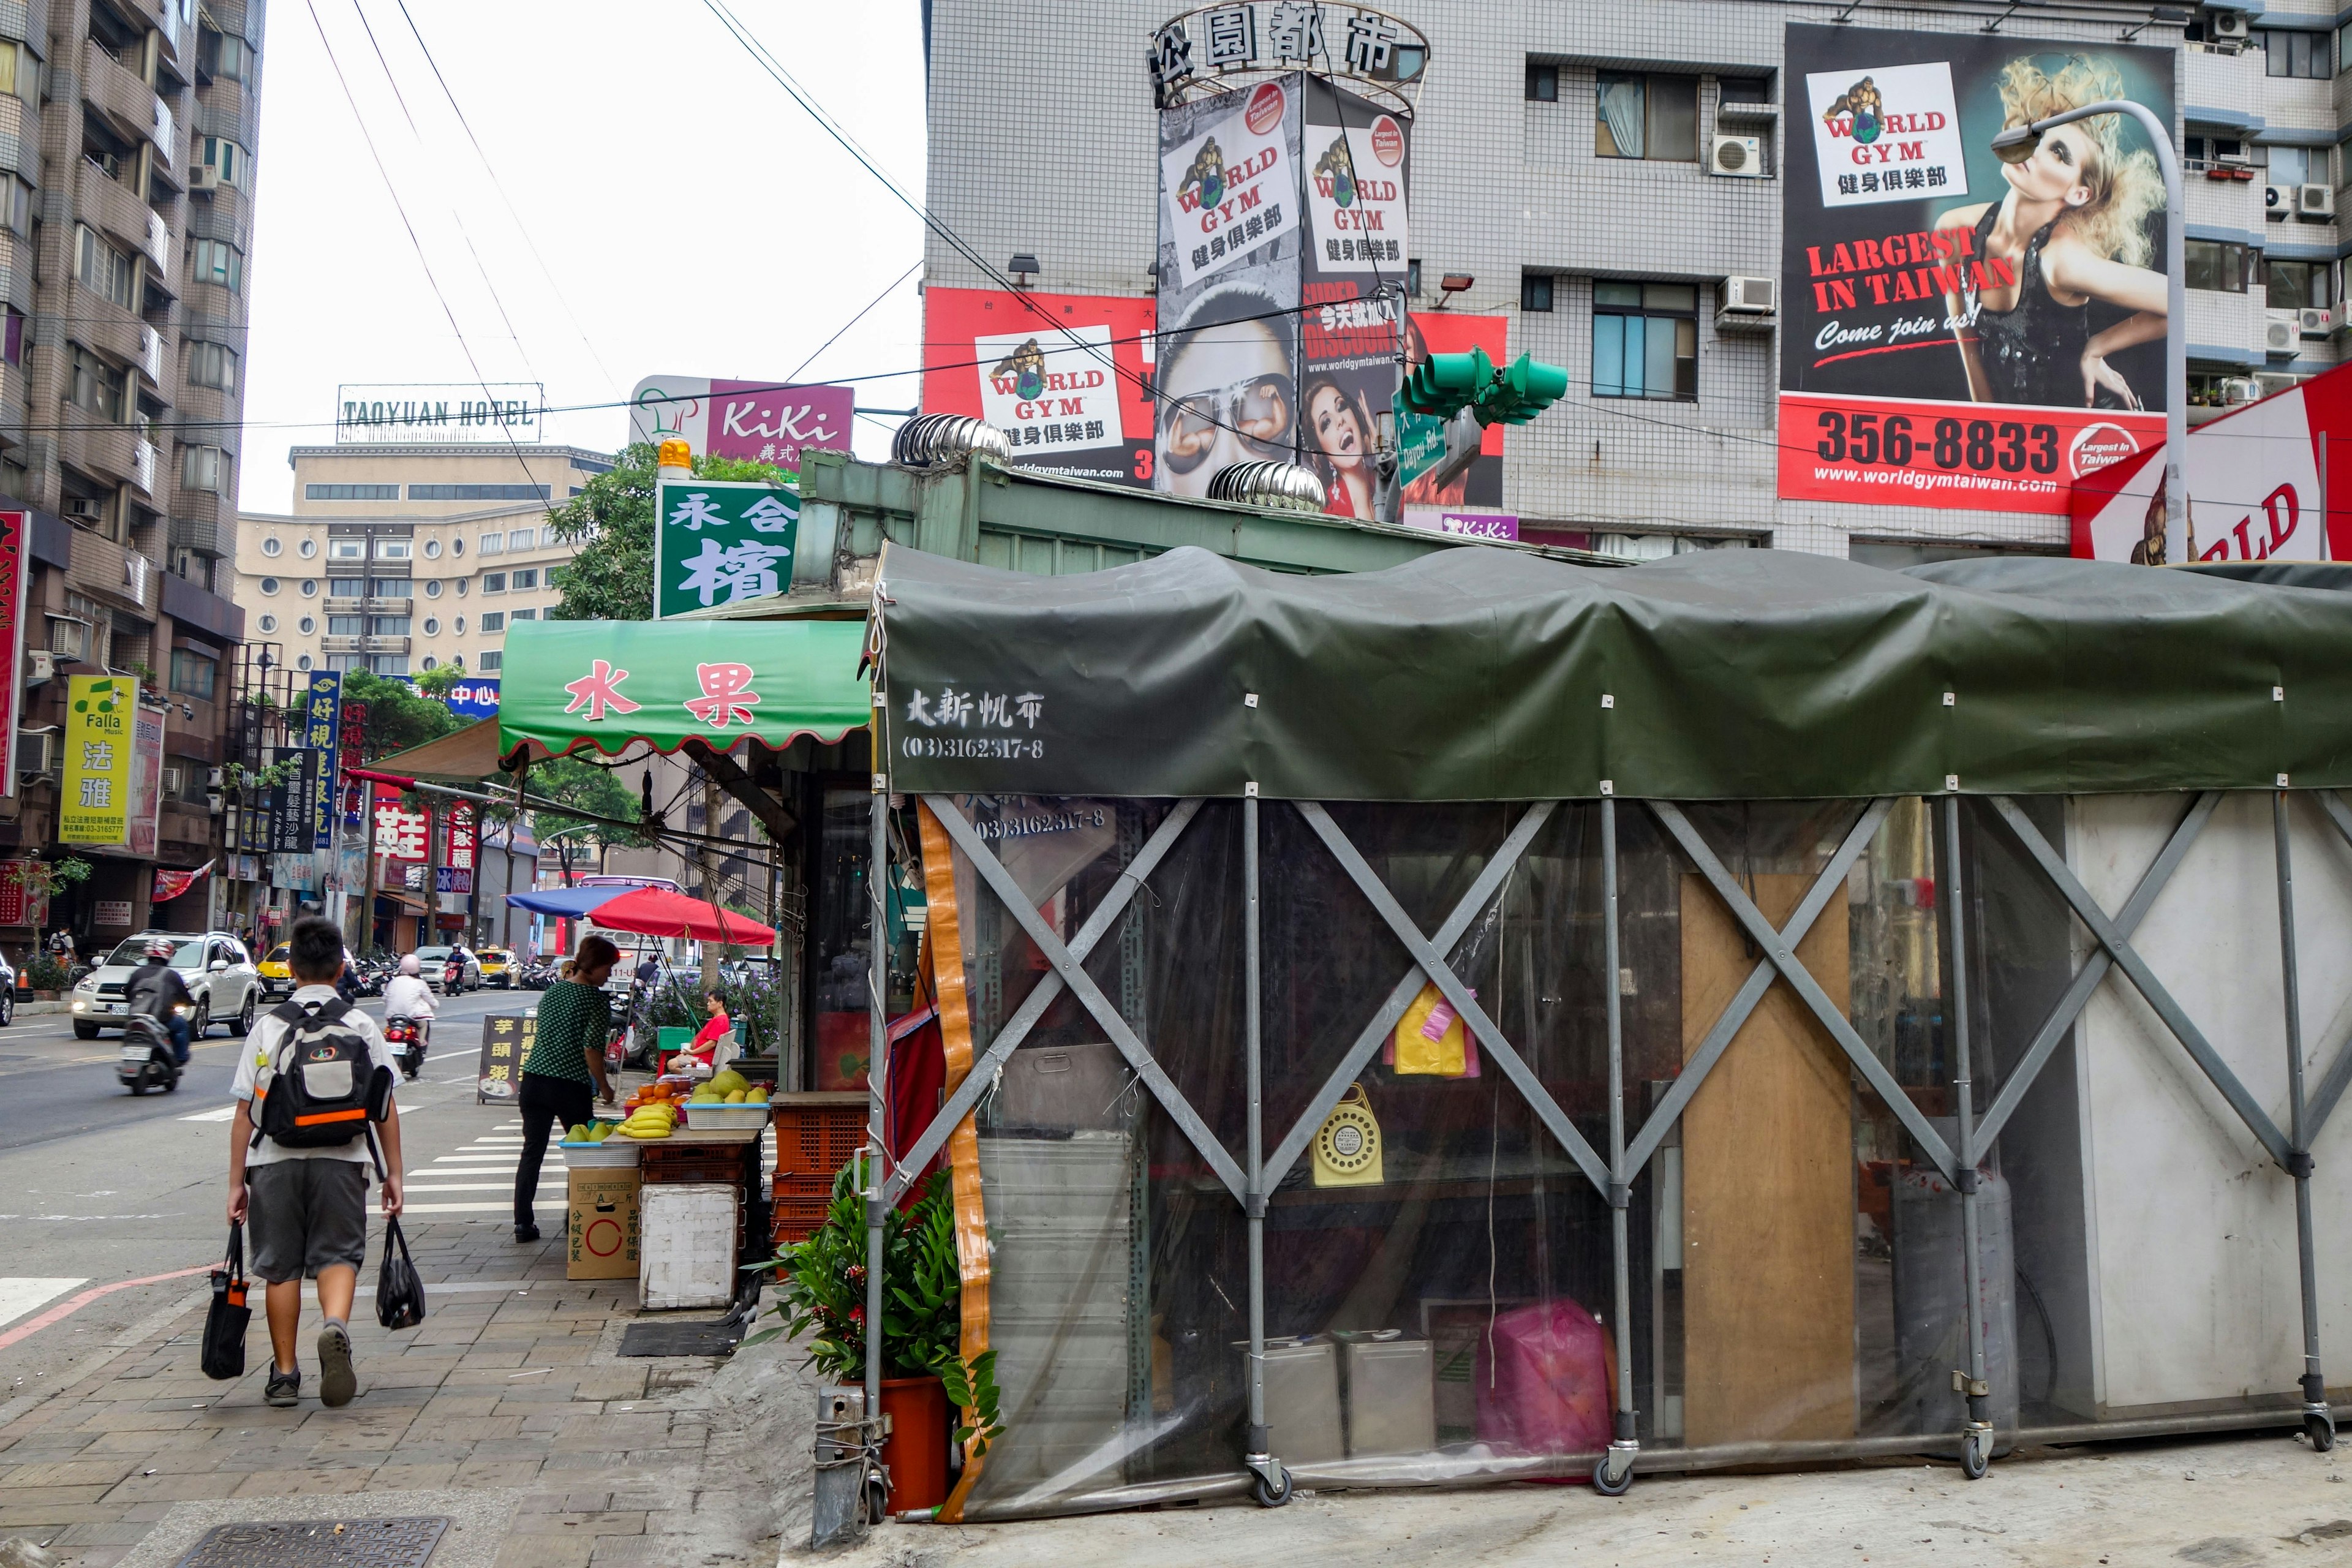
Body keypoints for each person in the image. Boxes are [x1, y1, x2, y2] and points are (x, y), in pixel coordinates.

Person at [226, 916, 404, 1409]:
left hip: (273, 1160)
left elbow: (246, 1111)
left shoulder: (268, 1026)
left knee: (280, 1270)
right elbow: (384, 1108)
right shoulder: (361, 1024)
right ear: (341, 967)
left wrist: (237, 1182)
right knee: (338, 1256)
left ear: (290, 967)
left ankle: (284, 1374)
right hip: (342, 1160)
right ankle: (335, 1327)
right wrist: (394, 1175)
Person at [1934, 55, 2168, 409]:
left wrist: (2096, 349)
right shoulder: (1954, 230)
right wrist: (1988, 431)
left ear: (2079, 194)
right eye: (2035, 135)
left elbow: (2180, 302)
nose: (2035, 151)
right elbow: (1969, 350)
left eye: (2059, 153)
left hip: (2082, 439)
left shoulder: (2061, 261)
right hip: (2013, 444)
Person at [513, 935, 619, 1243]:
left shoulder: (553, 992)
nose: (609, 974)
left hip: (534, 1081)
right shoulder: (596, 1001)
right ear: (595, 966)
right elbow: (591, 1051)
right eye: (608, 968)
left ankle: (523, 1223)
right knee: (583, 1153)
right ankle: (577, 1216)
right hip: (569, 1086)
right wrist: (605, 1087)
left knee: (532, 1151)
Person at [1156, 285, 1298, 496]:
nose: (1225, 463)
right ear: (1159, 462)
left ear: (1295, 434)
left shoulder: (1256, 428)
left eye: (1257, 408)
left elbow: (1276, 424)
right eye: (1193, 424)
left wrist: (1274, 396)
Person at [1303, 374, 1378, 519]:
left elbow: (1428, 494)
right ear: (1320, 452)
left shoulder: (1387, 483)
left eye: (1341, 406)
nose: (1340, 419)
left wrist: (1382, 458)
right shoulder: (1330, 516)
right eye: (1326, 422)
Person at [125, 938, 193, 1066]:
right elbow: (184, 996)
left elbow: (128, 994)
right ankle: (180, 1058)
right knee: (182, 1026)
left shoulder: (137, 973)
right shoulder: (171, 975)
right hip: (162, 1020)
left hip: (136, 1018)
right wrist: (190, 1002)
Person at [668, 990, 731, 1077]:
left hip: (704, 1058)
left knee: (671, 1064)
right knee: (678, 1058)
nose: (708, 1004)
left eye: (711, 1001)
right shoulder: (717, 1018)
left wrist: (693, 1052)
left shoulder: (720, 1020)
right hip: (699, 1054)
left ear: (720, 1003)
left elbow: (712, 1043)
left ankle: (692, 1079)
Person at [383, 953, 435, 1033]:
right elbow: (430, 999)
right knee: (424, 1025)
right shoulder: (419, 983)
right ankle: (422, 1043)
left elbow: (385, 999)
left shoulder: (394, 982)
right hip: (413, 1017)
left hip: (392, 1017)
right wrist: (435, 1005)